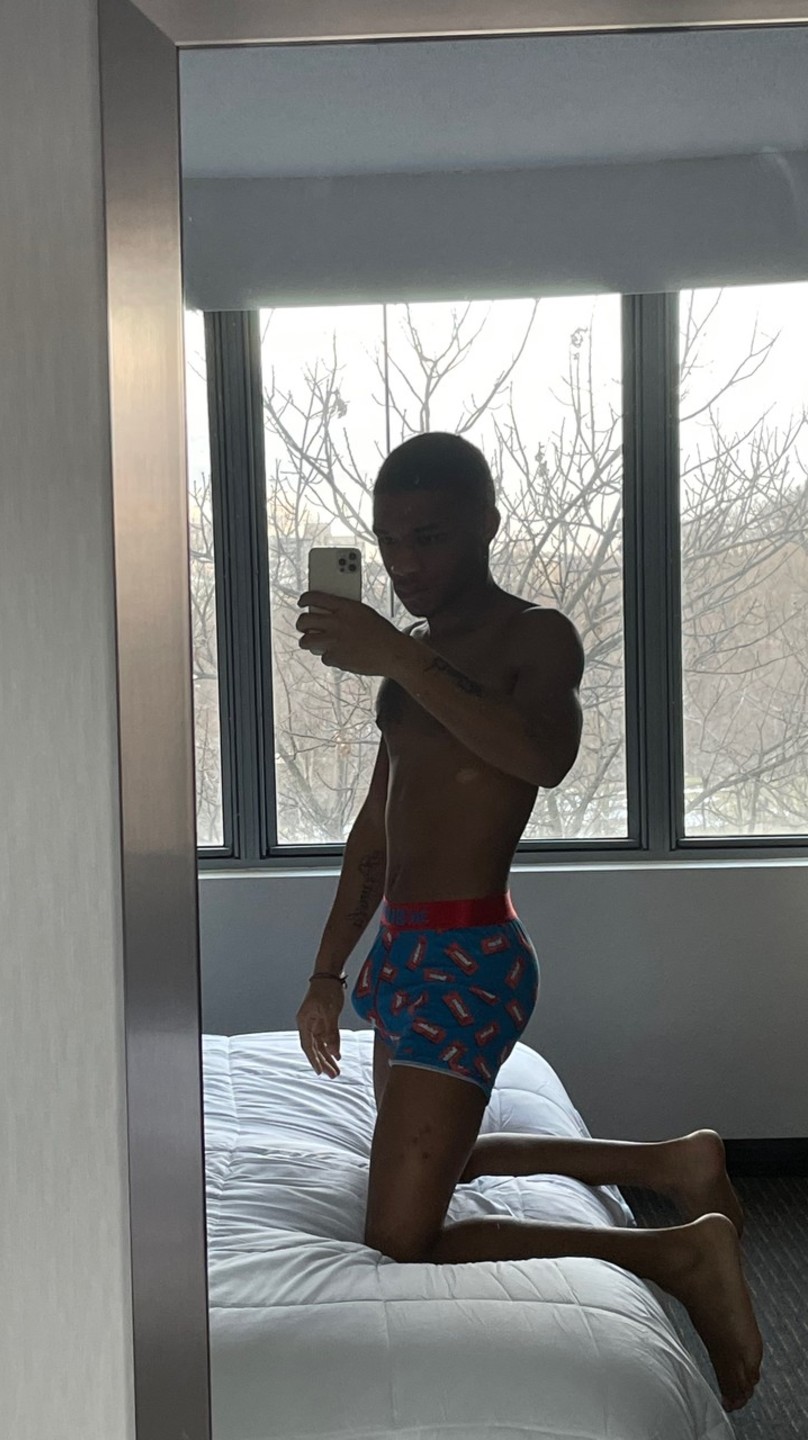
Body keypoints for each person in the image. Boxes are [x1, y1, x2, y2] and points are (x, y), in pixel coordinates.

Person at [293, 431, 762, 1414]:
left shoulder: (534, 636)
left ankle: (679, 1254)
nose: (405, 564)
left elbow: (542, 756)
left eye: (429, 537)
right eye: (390, 541)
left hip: (470, 956)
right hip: (404, 956)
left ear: (487, 526)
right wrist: (328, 972)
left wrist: (397, 655)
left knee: (401, 1238)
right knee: (438, 1160)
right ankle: (673, 1162)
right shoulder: (410, 660)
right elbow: (374, 833)